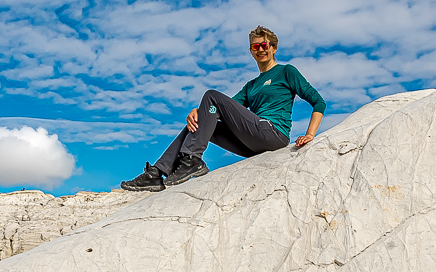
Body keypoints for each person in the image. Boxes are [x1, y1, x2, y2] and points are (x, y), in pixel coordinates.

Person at [121, 26, 327, 191]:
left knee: (211, 96)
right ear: (251, 52)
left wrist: (310, 135)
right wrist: (199, 111)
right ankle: (157, 173)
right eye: (256, 47)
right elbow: (222, 108)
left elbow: (318, 102)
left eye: (265, 45)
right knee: (202, 121)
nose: (261, 50)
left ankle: (192, 160)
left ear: (273, 48)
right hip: (252, 145)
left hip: (272, 134)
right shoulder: (251, 85)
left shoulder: (286, 71)